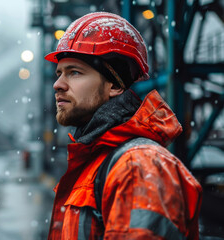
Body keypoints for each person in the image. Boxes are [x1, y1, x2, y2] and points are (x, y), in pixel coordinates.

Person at [45, 12, 202, 239]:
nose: (58, 84)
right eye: (59, 73)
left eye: (75, 73)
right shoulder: (97, 161)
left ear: (115, 86)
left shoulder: (138, 166)